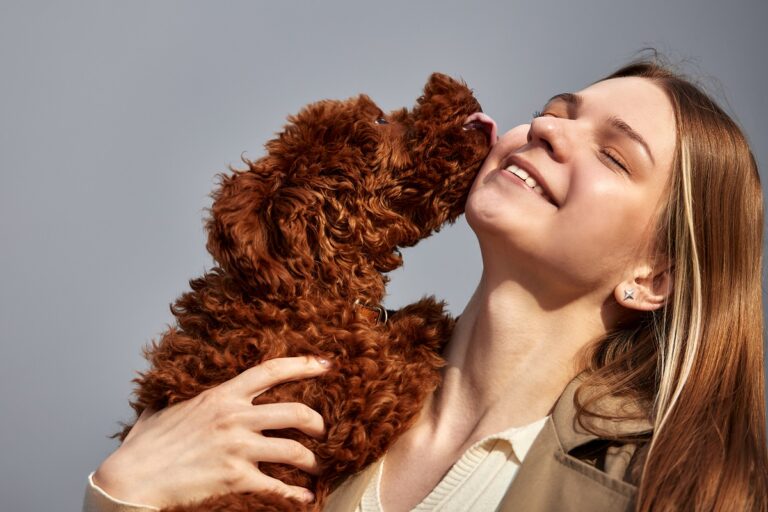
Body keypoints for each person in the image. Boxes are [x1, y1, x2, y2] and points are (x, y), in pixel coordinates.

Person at [83, 52, 768, 512]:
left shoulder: (674, 488)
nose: (548, 133)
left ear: (652, 278)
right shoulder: (293, 394)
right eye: (557, 112)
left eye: (615, 156)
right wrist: (119, 492)